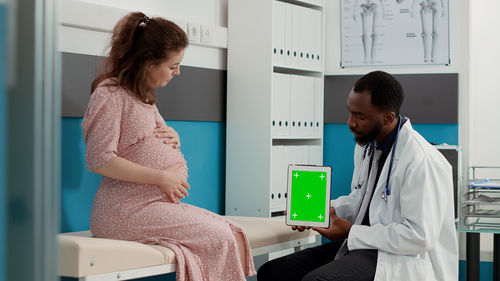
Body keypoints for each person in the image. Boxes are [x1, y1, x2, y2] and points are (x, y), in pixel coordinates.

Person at [82, 12, 255, 281]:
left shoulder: (144, 98)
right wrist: (162, 177)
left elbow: (154, 139)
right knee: (219, 236)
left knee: (233, 232)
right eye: (173, 65)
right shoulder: (110, 95)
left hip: (153, 204)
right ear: (149, 63)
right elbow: (99, 159)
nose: (178, 72)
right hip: (123, 210)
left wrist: (174, 136)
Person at [257, 70, 458, 281]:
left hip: (402, 259)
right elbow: (361, 200)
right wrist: (320, 212)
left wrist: (351, 231)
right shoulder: (367, 146)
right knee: (274, 272)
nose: (350, 122)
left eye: (360, 116)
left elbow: (418, 237)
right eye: (350, 112)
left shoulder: (421, 160)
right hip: (366, 245)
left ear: (388, 117)